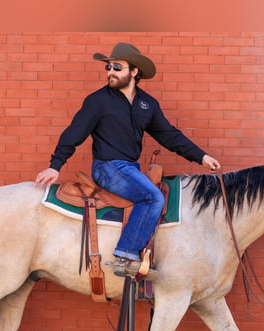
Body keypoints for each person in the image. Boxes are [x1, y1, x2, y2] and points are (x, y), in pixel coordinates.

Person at [35, 42, 221, 280]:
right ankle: (126, 256)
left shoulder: (147, 104)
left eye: (117, 67)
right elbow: (74, 132)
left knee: (155, 195)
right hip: (107, 167)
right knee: (152, 197)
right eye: (108, 67)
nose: (110, 71)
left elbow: (169, 135)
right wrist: (55, 165)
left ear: (134, 72)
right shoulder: (98, 100)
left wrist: (201, 156)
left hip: (130, 168)